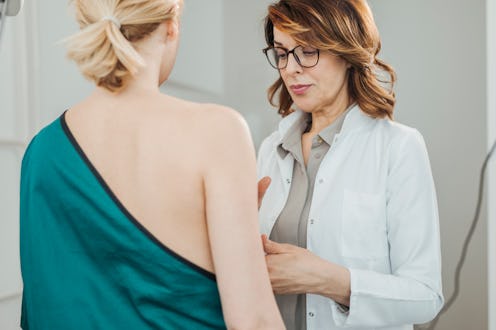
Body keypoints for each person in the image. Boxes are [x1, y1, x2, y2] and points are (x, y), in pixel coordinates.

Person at [19, 0, 284, 329]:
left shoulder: (41, 150)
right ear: (171, 23)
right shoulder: (216, 132)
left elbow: (44, 304)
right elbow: (254, 321)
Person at [256, 0, 444, 329]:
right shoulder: (271, 150)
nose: (291, 68)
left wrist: (326, 279)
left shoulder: (397, 148)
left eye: (308, 50)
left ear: (346, 52)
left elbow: (425, 295)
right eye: (282, 53)